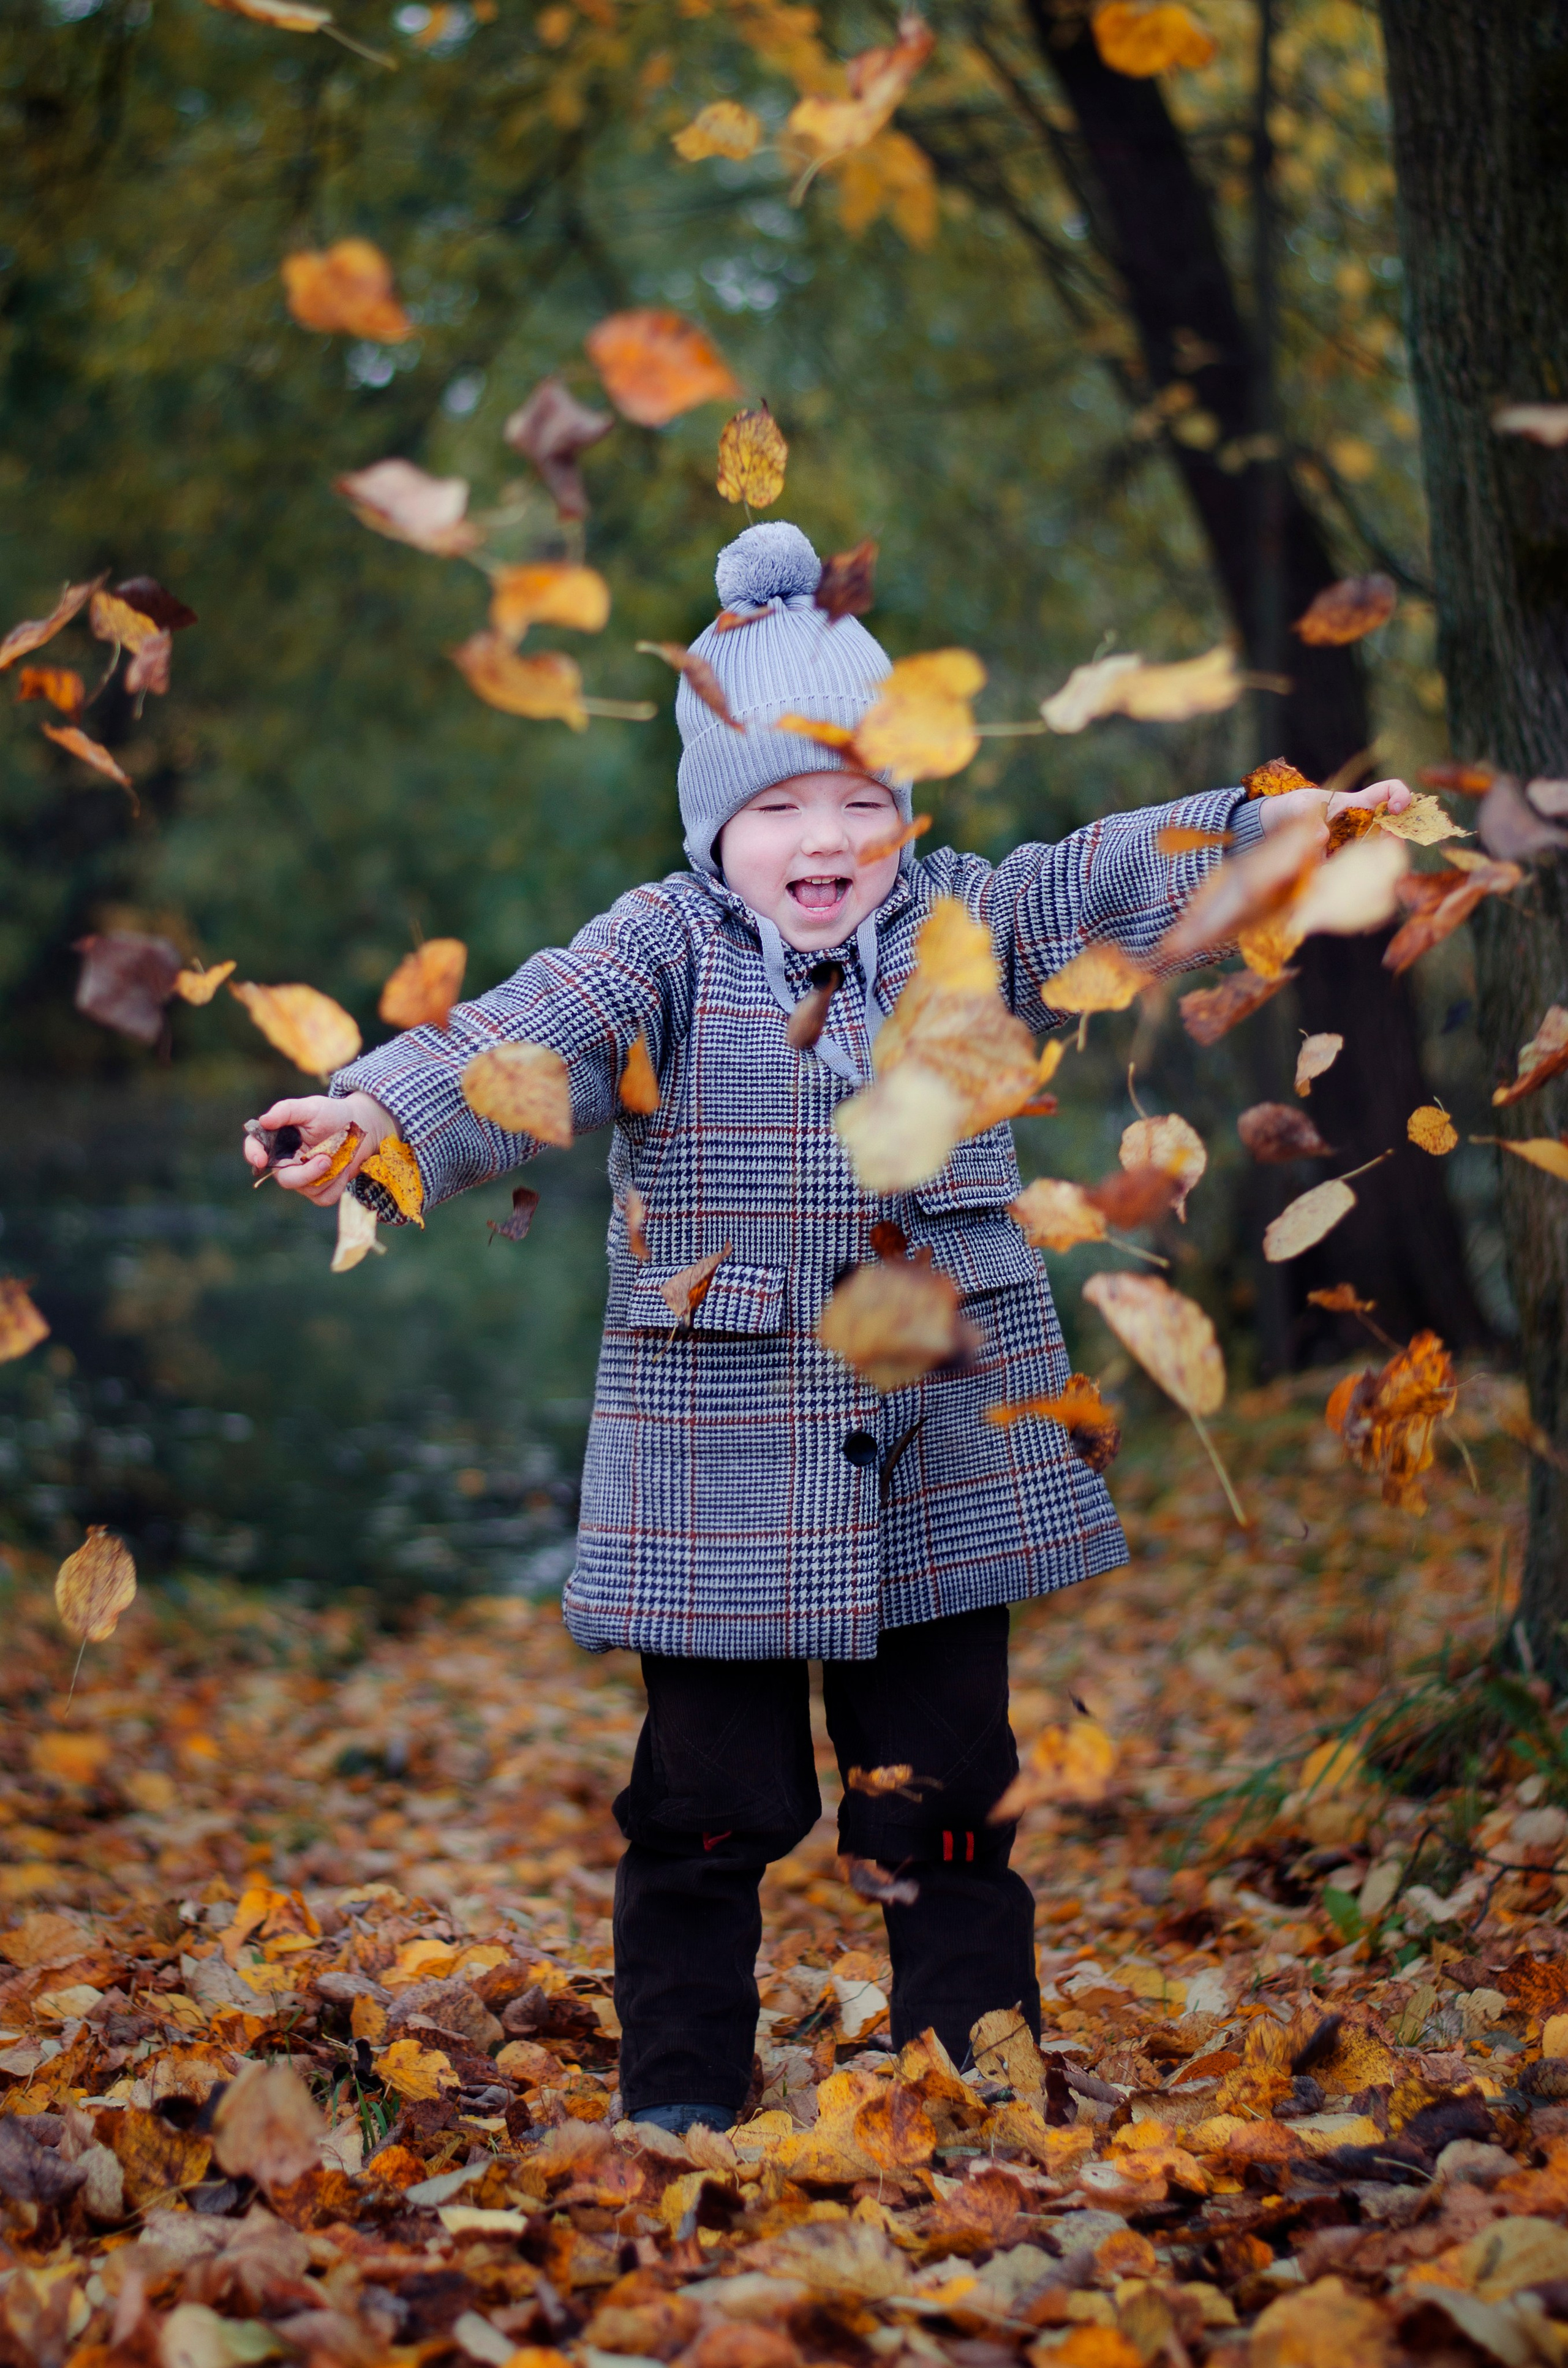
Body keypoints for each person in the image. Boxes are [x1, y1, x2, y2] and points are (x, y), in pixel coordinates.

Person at [244, 520, 1411, 2133]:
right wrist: (371, 1113)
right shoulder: (661, 948)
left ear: (905, 810)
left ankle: (973, 2104)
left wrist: (1286, 830)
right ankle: (679, 2109)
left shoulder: (967, 927)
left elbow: (1111, 876)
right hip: (714, 1465)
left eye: (862, 799)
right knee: (708, 1804)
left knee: (942, 1806)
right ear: (718, 821)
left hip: (940, 1441)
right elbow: (522, 1034)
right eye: (782, 803)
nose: (827, 836)